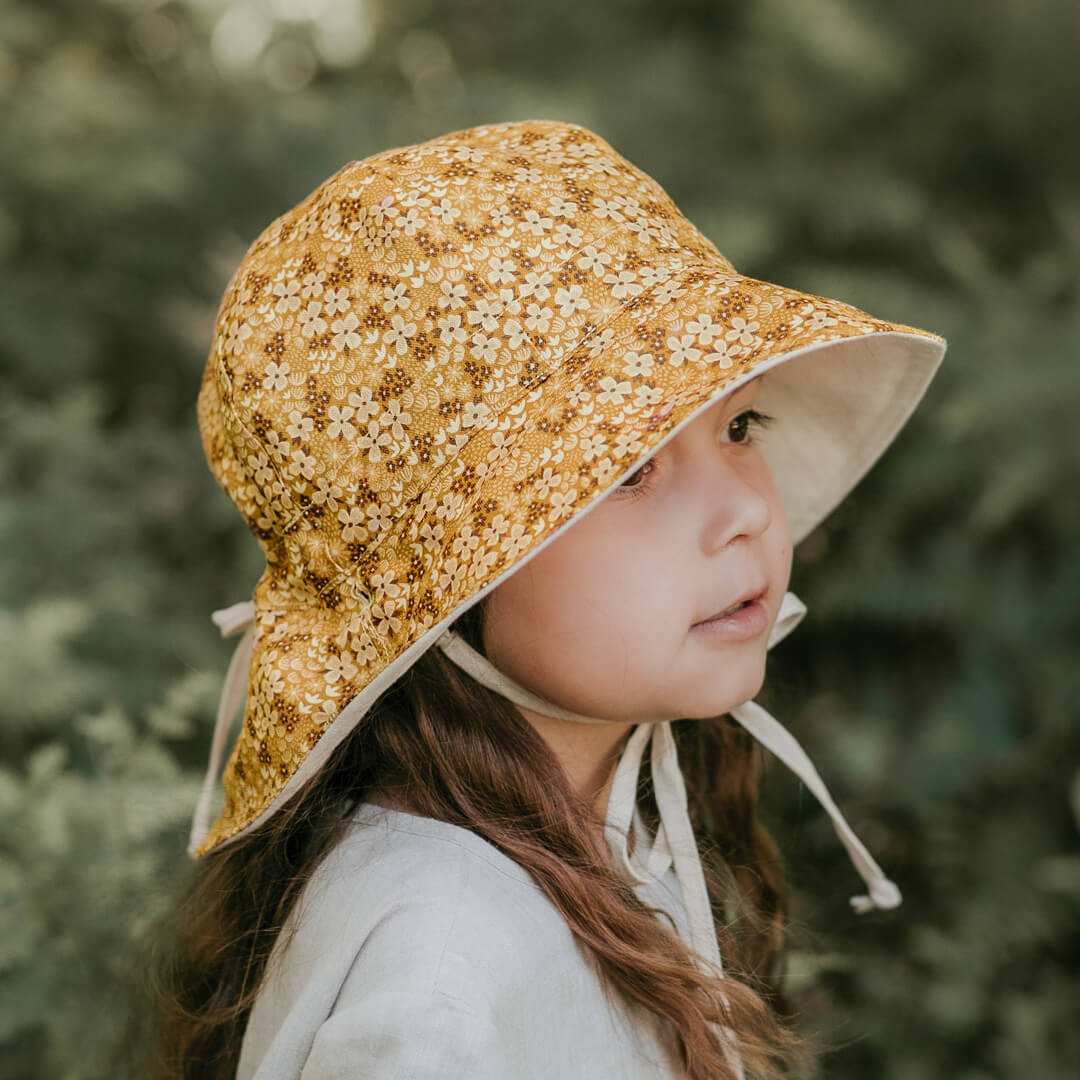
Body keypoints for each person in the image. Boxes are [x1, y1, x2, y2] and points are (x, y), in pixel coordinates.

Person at [148, 119, 947, 1080]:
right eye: (622, 470)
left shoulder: (578, 846)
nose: (744, 506)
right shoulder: (437, 969)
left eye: (741, 422)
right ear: (445, 581)